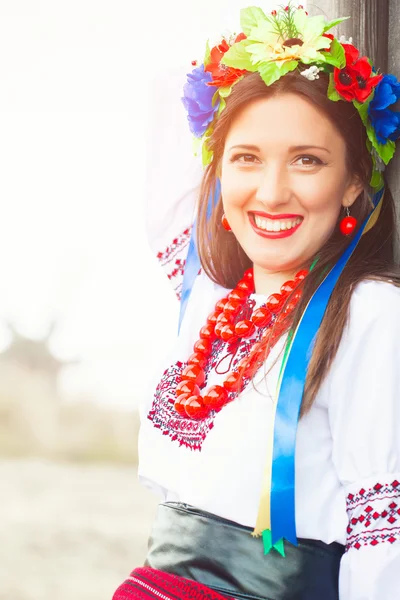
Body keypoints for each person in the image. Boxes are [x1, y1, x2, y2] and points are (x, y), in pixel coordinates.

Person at [113, 3, 400, 599]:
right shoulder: (207, 296)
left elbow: (384, 542)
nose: (272, 192)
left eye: (307, 160)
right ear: (217, 172)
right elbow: (167, 90)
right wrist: (256, 61)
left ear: (353, 182)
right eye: (247, 157)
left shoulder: (371, 316)